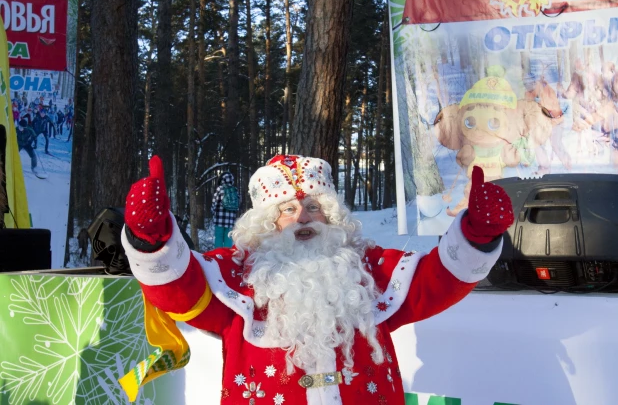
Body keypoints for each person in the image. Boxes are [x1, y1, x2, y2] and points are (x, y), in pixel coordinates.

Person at [119, 155, 514, 405]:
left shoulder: (366, 269)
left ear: (331, 216)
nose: (303, 217)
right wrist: (151, 238)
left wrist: (477, 234)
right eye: (287, 209)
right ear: (265, 223)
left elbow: (436, 283)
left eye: (313, 206)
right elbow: (179, 290)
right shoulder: (237, 276)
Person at [211, 171, 239, 247]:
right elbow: (238, 205)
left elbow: (215, 202)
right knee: (228, 238)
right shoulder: (235, 190)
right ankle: (227, 256)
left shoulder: (220, 189)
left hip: (219, 220)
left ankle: (217, 256)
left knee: (219, 238)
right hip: (230, 221)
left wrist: (213, 211)